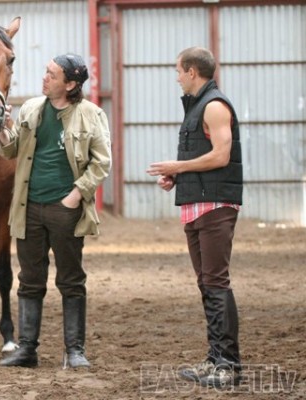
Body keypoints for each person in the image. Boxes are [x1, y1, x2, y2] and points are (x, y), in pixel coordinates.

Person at [0, 53, 111, 368]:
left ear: (70, 84)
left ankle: (74, 351)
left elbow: (101, 162)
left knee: (71, 280)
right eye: (46, 72)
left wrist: (75, 196)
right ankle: (27, 350)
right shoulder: (31, 109)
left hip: (65, 210)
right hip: (29, 208)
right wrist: (3, 128)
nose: (44, 78)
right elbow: (11, 149)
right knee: (29, 280)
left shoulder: (91, 115)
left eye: (52, 75)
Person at [146, 46, 243, 388]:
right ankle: (216, 358)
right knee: (207, 283)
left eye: (178, 71)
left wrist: (179, 166)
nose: (177, 77)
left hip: (215, 205)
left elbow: (221, 155)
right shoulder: (197, 106)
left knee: (215, 283)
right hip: (198, 203)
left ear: (191, 71)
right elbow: (203, 156)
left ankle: (228, 365)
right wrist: (176, 177)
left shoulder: (214, 106)